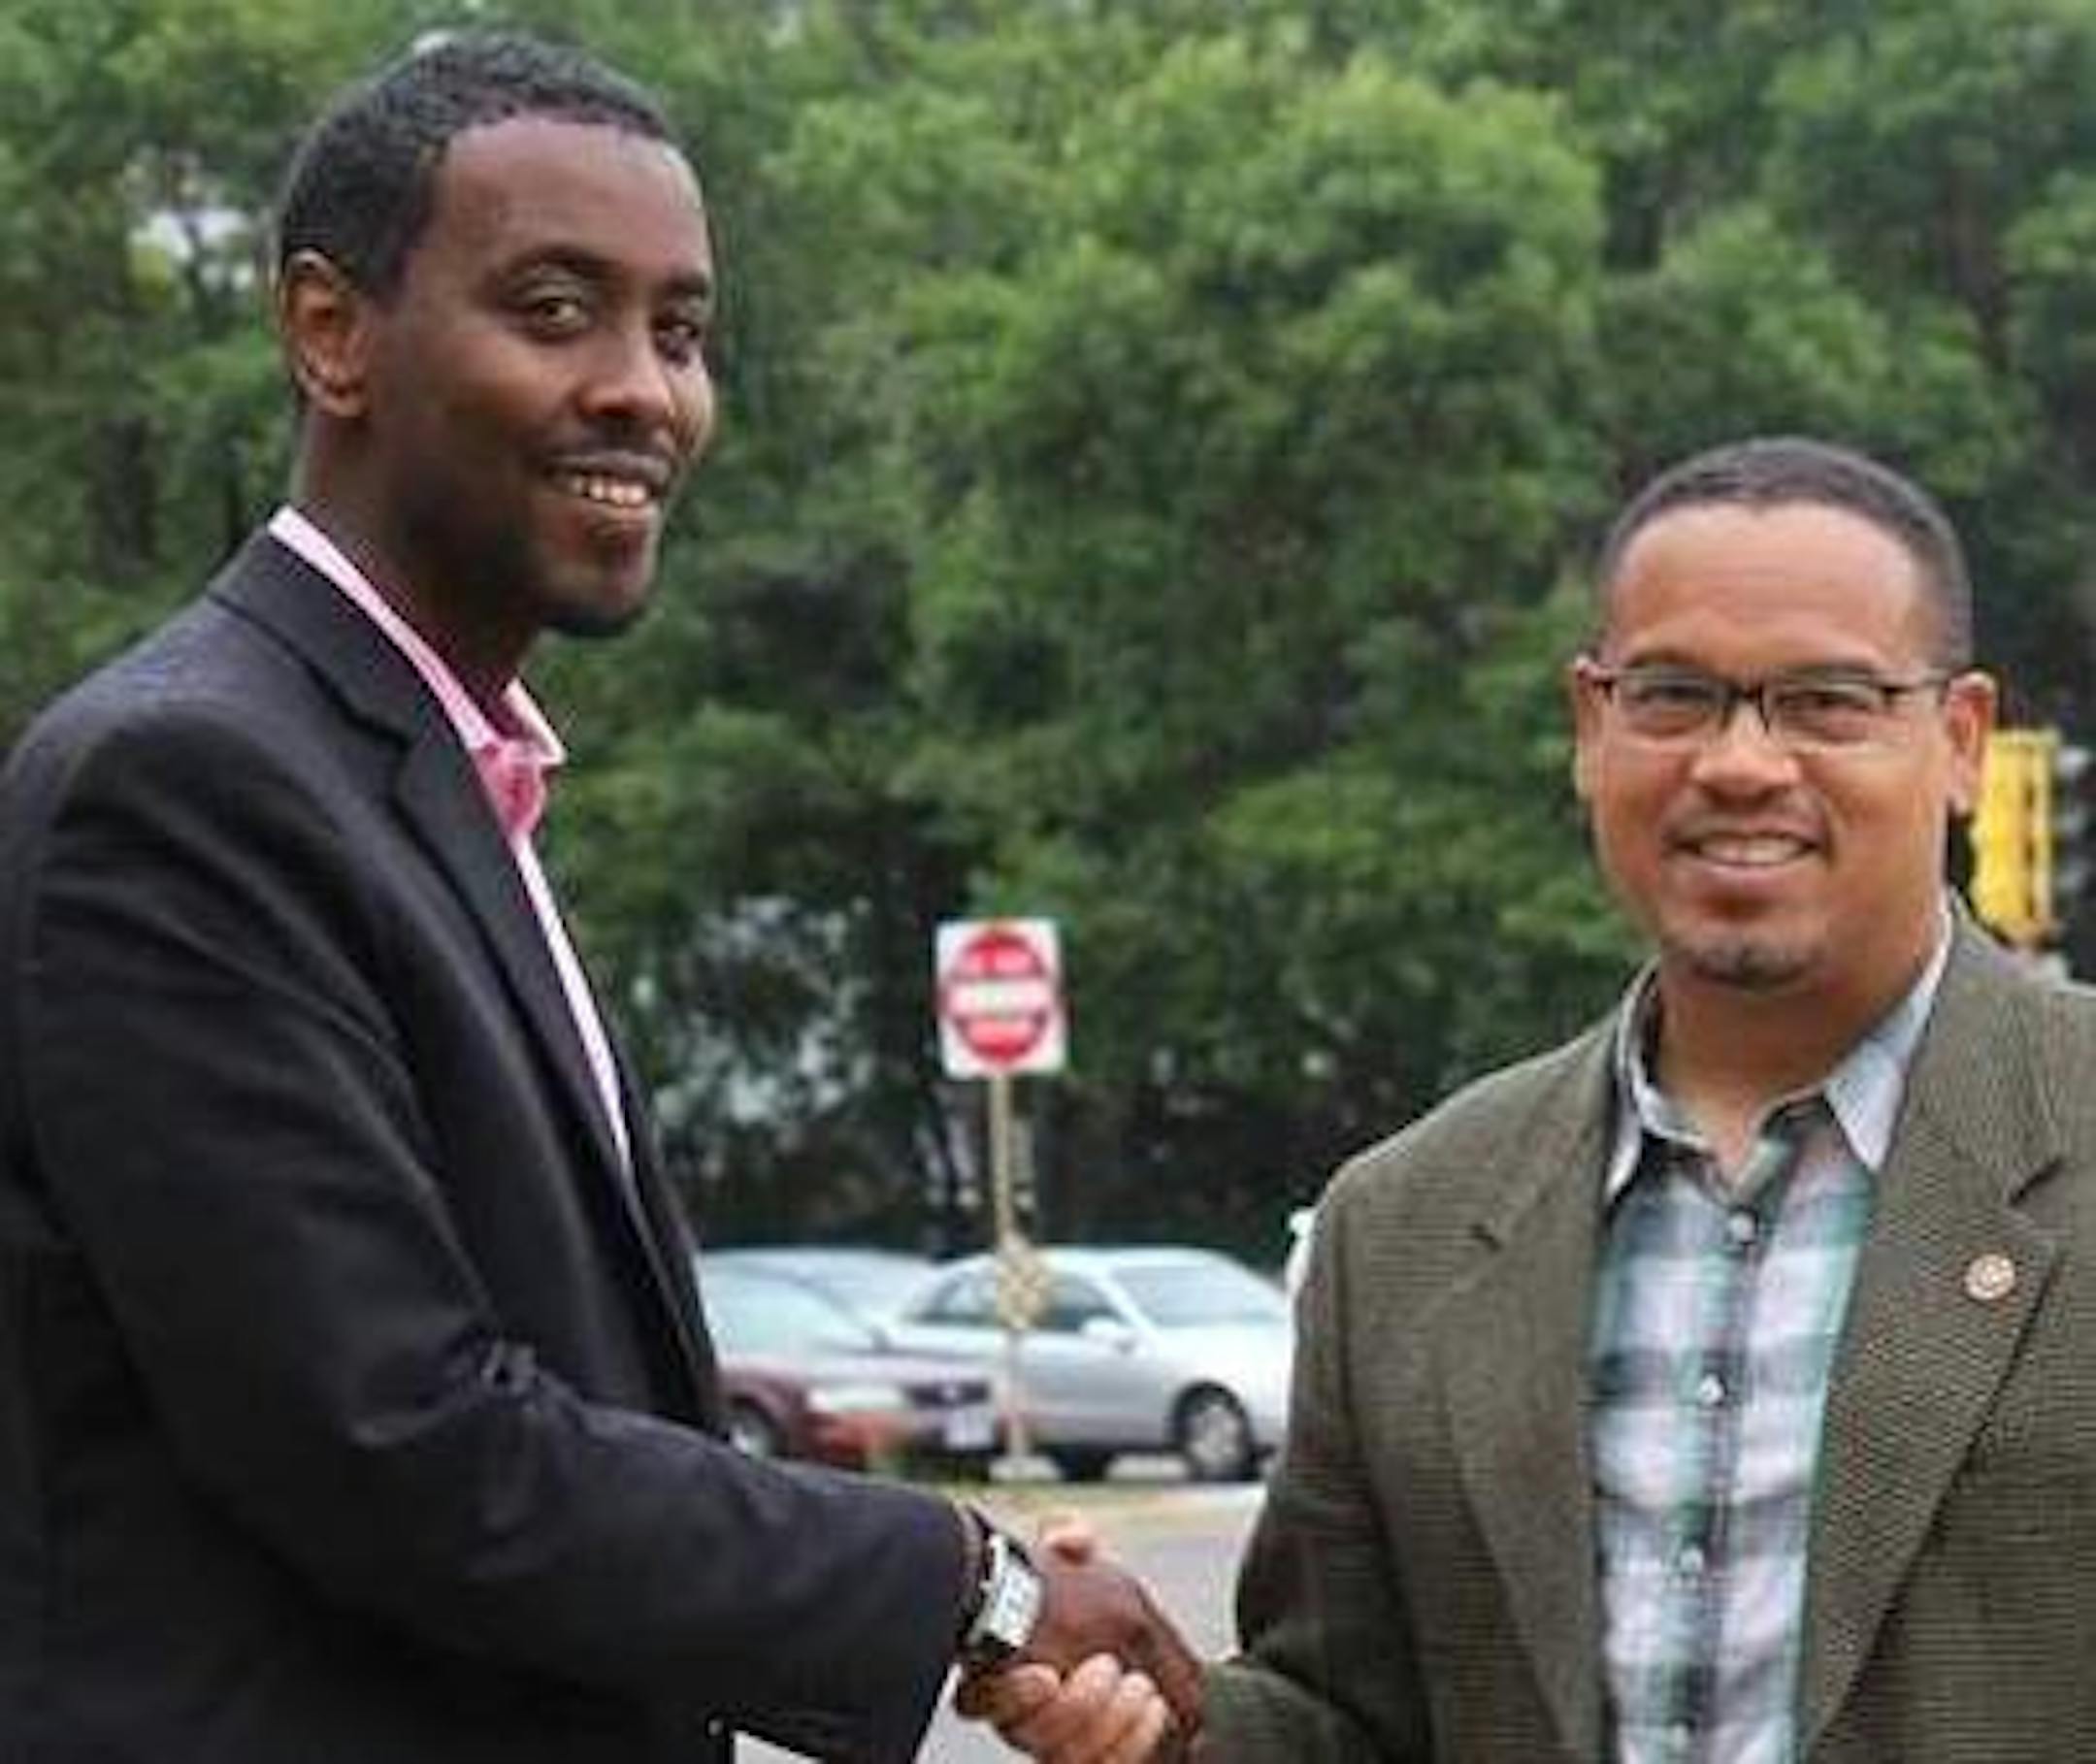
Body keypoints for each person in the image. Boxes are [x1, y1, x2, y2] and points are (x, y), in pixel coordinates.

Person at [0, 32, 1194, 1764]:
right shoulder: (191, 786)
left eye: (683, 331)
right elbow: (398, 1442)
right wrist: (963, 1580)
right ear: (331, 332)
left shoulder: (418, 774)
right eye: (555, 310)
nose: (644, 388)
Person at [978, 434, 2096, 1761]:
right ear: (1591, 725)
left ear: (1961, 740)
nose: (1741, 762)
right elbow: (1351, 1721)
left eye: (1826, 700)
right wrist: (1167, 1724)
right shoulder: (1404, 1226)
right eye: (1674, 694)